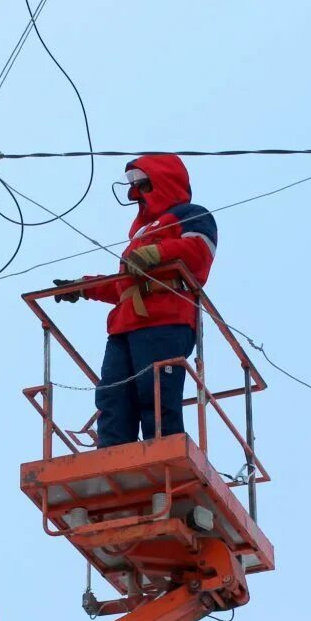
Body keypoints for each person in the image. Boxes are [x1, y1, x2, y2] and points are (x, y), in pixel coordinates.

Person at [54, 154, 217, 448]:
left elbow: (199, 252)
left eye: (142, 186)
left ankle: (163, 451)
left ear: (163, 181)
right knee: (113, 395)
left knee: (155, 394)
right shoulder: (140, 236)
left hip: (164, 320)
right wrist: (85, 287)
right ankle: (112, 453)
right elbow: (124, 286)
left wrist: (159, 252)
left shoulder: (191, 215)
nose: (136, 194)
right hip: (125, 326)